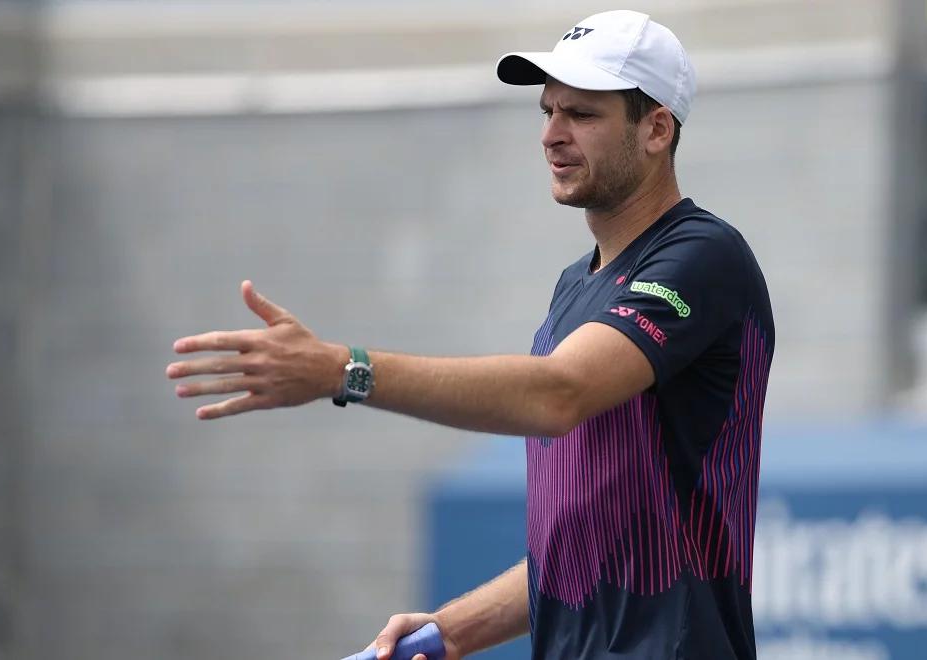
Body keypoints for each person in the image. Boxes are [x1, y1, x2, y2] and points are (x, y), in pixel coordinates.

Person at [166, 10, 774, 660]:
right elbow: (575, 544)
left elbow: (555, 395)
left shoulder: (705, 255)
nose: (551, 135)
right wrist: (451, 631)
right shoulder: (576, 286)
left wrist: (341, 370)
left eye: (582, 115)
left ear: (656, 129)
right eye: (547, 111)